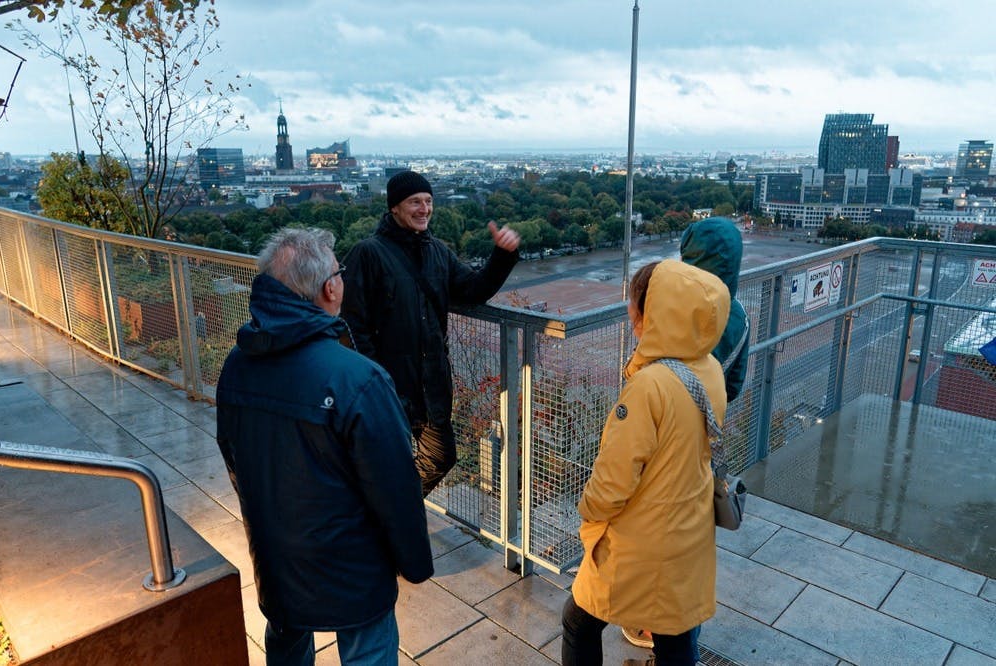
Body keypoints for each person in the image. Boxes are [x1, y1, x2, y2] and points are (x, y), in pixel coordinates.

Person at [216, 228, 433, 666]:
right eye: (339, 272)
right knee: (368, 651)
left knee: (287, 643)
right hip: (352, 569)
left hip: (276, 557)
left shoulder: (237, 364)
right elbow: (395, 487)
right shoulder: (358, 378)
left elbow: (234, 457)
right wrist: (415, 564)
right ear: (330, 288)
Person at [561, 259, 730, 666]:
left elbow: (614, 479)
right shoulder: (709, 369)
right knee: (674, 632)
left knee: (578, 622)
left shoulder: (649, 386)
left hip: (643, 541)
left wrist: (588, 511)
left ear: (653, 312)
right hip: (688, 528)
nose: (630, 312)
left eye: (635, 304)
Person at [342, 170, 520, 496]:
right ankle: (386, 514)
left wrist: (502, 256)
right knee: (380, 462)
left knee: (440, 456)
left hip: (431, 384)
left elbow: (473, 290)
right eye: (415, 202)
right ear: (395, 207)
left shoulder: (437, 251)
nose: (424, 209)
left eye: (428, 201)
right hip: (386, 385)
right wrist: (372, 379)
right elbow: (351, 324)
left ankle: (391, 509)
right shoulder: (367, 253)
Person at [622, 216, 751, 655]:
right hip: (705, 440)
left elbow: (651, 370)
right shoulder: (739, 315)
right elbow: (734, 385)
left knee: (653, 534)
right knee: (691, 536)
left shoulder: (678, 309)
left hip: (663, 439)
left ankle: (660, 627)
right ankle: (684, 625)